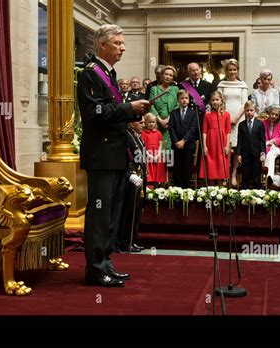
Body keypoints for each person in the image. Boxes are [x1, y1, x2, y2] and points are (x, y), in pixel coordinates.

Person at [77, 24, 151, 287]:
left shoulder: (108, 73)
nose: (123, 47)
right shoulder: (89, 75)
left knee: (112, 214)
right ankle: (95, 269)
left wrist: (134, 111)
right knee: (99, 213)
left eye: (123, 43)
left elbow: (113, 111)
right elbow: (94, 114)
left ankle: (106, 263)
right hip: (102, 156)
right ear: (102, 45)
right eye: (118, 43)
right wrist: (127, 108)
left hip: (117, 154)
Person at [216, 58, 248, 188]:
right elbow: (219, 102)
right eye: (230, 70)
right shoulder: (221, 85)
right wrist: (227, 117)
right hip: (224, 118)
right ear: (226, 71)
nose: (232, 72)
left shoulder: (242, 85)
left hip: (239, 119)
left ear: (237, 70)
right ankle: (224, 174)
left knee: (236, 148)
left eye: (234, 69)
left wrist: (235, 118)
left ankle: (233, 173)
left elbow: (244, 103)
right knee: (226, 148)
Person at [117, 116, 147, 254]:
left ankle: (132, 240)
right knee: (129, 213)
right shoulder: (126, 136)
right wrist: (130, 174)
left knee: (137, 212)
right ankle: (124, 242)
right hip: (131, 179)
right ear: (131, 123)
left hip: (139, 179)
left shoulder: (137, 136)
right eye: (140, 122)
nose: (143, 125)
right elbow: (125, 157)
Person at [199, 91, 231, 186]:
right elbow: (204, 131)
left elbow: (228, 131)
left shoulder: (226, 114)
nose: (215, 102)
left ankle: (220, 189)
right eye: (213, 100)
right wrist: (204, 146)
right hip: (211, 143)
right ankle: (211, 188)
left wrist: (227, 146)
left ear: (221, 101)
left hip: (221, 143)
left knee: (221, 165)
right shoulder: (207, 115)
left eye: (217, 99)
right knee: (211, 166)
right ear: (210, 102)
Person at [169, 89, 198, 188]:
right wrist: (177, 141)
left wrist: (184, 141)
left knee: (187, 166)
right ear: (178, 100)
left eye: (186, 98)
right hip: (176, 145)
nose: (184, 100)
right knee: (177, 166)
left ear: (189, 100)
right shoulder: (174, 113)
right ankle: (177, 187)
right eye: (182, 98)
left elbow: (192, 129)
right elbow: (171, 128)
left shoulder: (193, 113)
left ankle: (186, 187)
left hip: (188, 145)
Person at [149, 65, 179, 151]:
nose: (168, 77)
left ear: (173, 78)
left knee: (169, 151)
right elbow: (151, 105)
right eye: (166, 74)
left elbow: (177, 105)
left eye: (170, 75)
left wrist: (168, 119)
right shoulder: (154, 89)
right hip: (156, 124)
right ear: (162, 75)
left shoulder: (175, 89)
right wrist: (160, 120)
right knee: (157, 150)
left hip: (171, 124)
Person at [237, 100, 266, 189]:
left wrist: (262, 152)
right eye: (247, 110)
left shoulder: (260, 124)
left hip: (256, 153)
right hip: (245, 153)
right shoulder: (241, 125)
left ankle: (257, 191)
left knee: (256, 174)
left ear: (255, 110)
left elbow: (262, 139)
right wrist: (239, 153)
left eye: (251, 110)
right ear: (245, 111)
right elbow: (240, 140)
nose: (249, 112)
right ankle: (244, 192)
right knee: (245, 174)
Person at [180, 62, 213, 131]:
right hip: (188, 120)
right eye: (193, 70)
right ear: (188, 72)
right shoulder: (182, 86)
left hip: (203, 120)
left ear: (200, 70)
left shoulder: (208, 85)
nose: (196, 72)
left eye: (197, 70)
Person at [262, 105, 280, 186]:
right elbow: (260, 136)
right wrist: (267, 143)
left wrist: (275, 141)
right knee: (262, 154)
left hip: (277, 147)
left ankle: (268, 177)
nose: (274, 116)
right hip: (266, 146)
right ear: (269, 113)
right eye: (272, 114)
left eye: (276, 115)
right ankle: (264, 178)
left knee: (271, 155)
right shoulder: (264, 122)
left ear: (279, 115)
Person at [141, 113, 166, 186]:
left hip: (157, 156)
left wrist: (158, 154)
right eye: (149, 122)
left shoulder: (158, 133)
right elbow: (142, 146)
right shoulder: (143, 133)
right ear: (145, 123)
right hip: (148, 156)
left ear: (155, 123)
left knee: (157, 173)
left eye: (153, 122)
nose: (151, 124)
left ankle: (157, 187)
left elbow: (161, 145)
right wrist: (149, 155)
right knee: (149, 173)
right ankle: (149, 188)